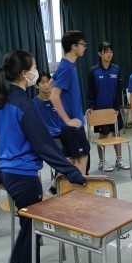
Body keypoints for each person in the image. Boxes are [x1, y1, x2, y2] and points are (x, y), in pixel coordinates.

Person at [0, 49, 85, 263]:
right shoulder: (24, 105)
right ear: (25, 74)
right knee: (31, 227)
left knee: (27, 225)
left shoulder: (5, 99)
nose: (37, 72)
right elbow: (42, 144)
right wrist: (71, 170)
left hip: (10, 173)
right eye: (34, 68)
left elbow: (1, 137)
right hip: (23, 176)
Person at [50, 30, 91, 176]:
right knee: (82, 158)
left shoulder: (65, 65)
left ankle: (56, 187)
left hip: (71, 124)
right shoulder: (67, 68)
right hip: (72, 125)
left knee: (72, 161)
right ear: (74, 46)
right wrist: (67, 119)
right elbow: (54, 95)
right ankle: (78, 190)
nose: (84, 47)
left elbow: (50, 83)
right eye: (82, 44)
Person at [87, 41, 130, 172]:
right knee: (103, 135)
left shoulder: (116, 69)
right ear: (100, 54)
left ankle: (119, 159)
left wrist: (117, 107)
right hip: (100, 110)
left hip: (113, 110)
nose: (109, 54)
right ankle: (102, 162)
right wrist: (91, 106)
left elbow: (118, 90)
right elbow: (91, 91)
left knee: (116, 134)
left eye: (111, 52)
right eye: (106, 52)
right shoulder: (94, 71)